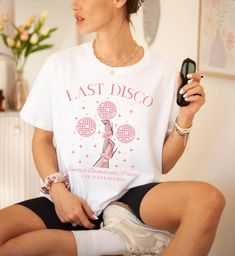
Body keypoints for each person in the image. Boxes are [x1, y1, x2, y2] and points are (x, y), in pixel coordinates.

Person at [0, 0, 225, 255]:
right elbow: (41, 139)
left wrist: (186, 117)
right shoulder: (60, 65)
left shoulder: (162, 73)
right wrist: (58, 189)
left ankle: (122, 234)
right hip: (71, 196)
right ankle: (117, 241)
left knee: (208, 200)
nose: (74, 5)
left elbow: (162, 163)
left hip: (133, 201)